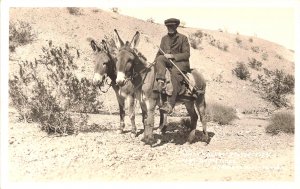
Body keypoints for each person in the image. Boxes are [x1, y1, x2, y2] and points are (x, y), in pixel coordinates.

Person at [155, 18, 191, 114]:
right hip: (168, 62)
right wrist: (155, 62)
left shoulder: (183, 38)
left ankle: (170, 105)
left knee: (174, 73)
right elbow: (160, 53)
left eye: (172, 26)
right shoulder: (164, 39)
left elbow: (187, 54)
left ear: (176, 27)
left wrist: (172, 56)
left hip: (181, 63)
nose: (170, 28)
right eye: (168, 26)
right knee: (159, 59)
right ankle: (161, 81)